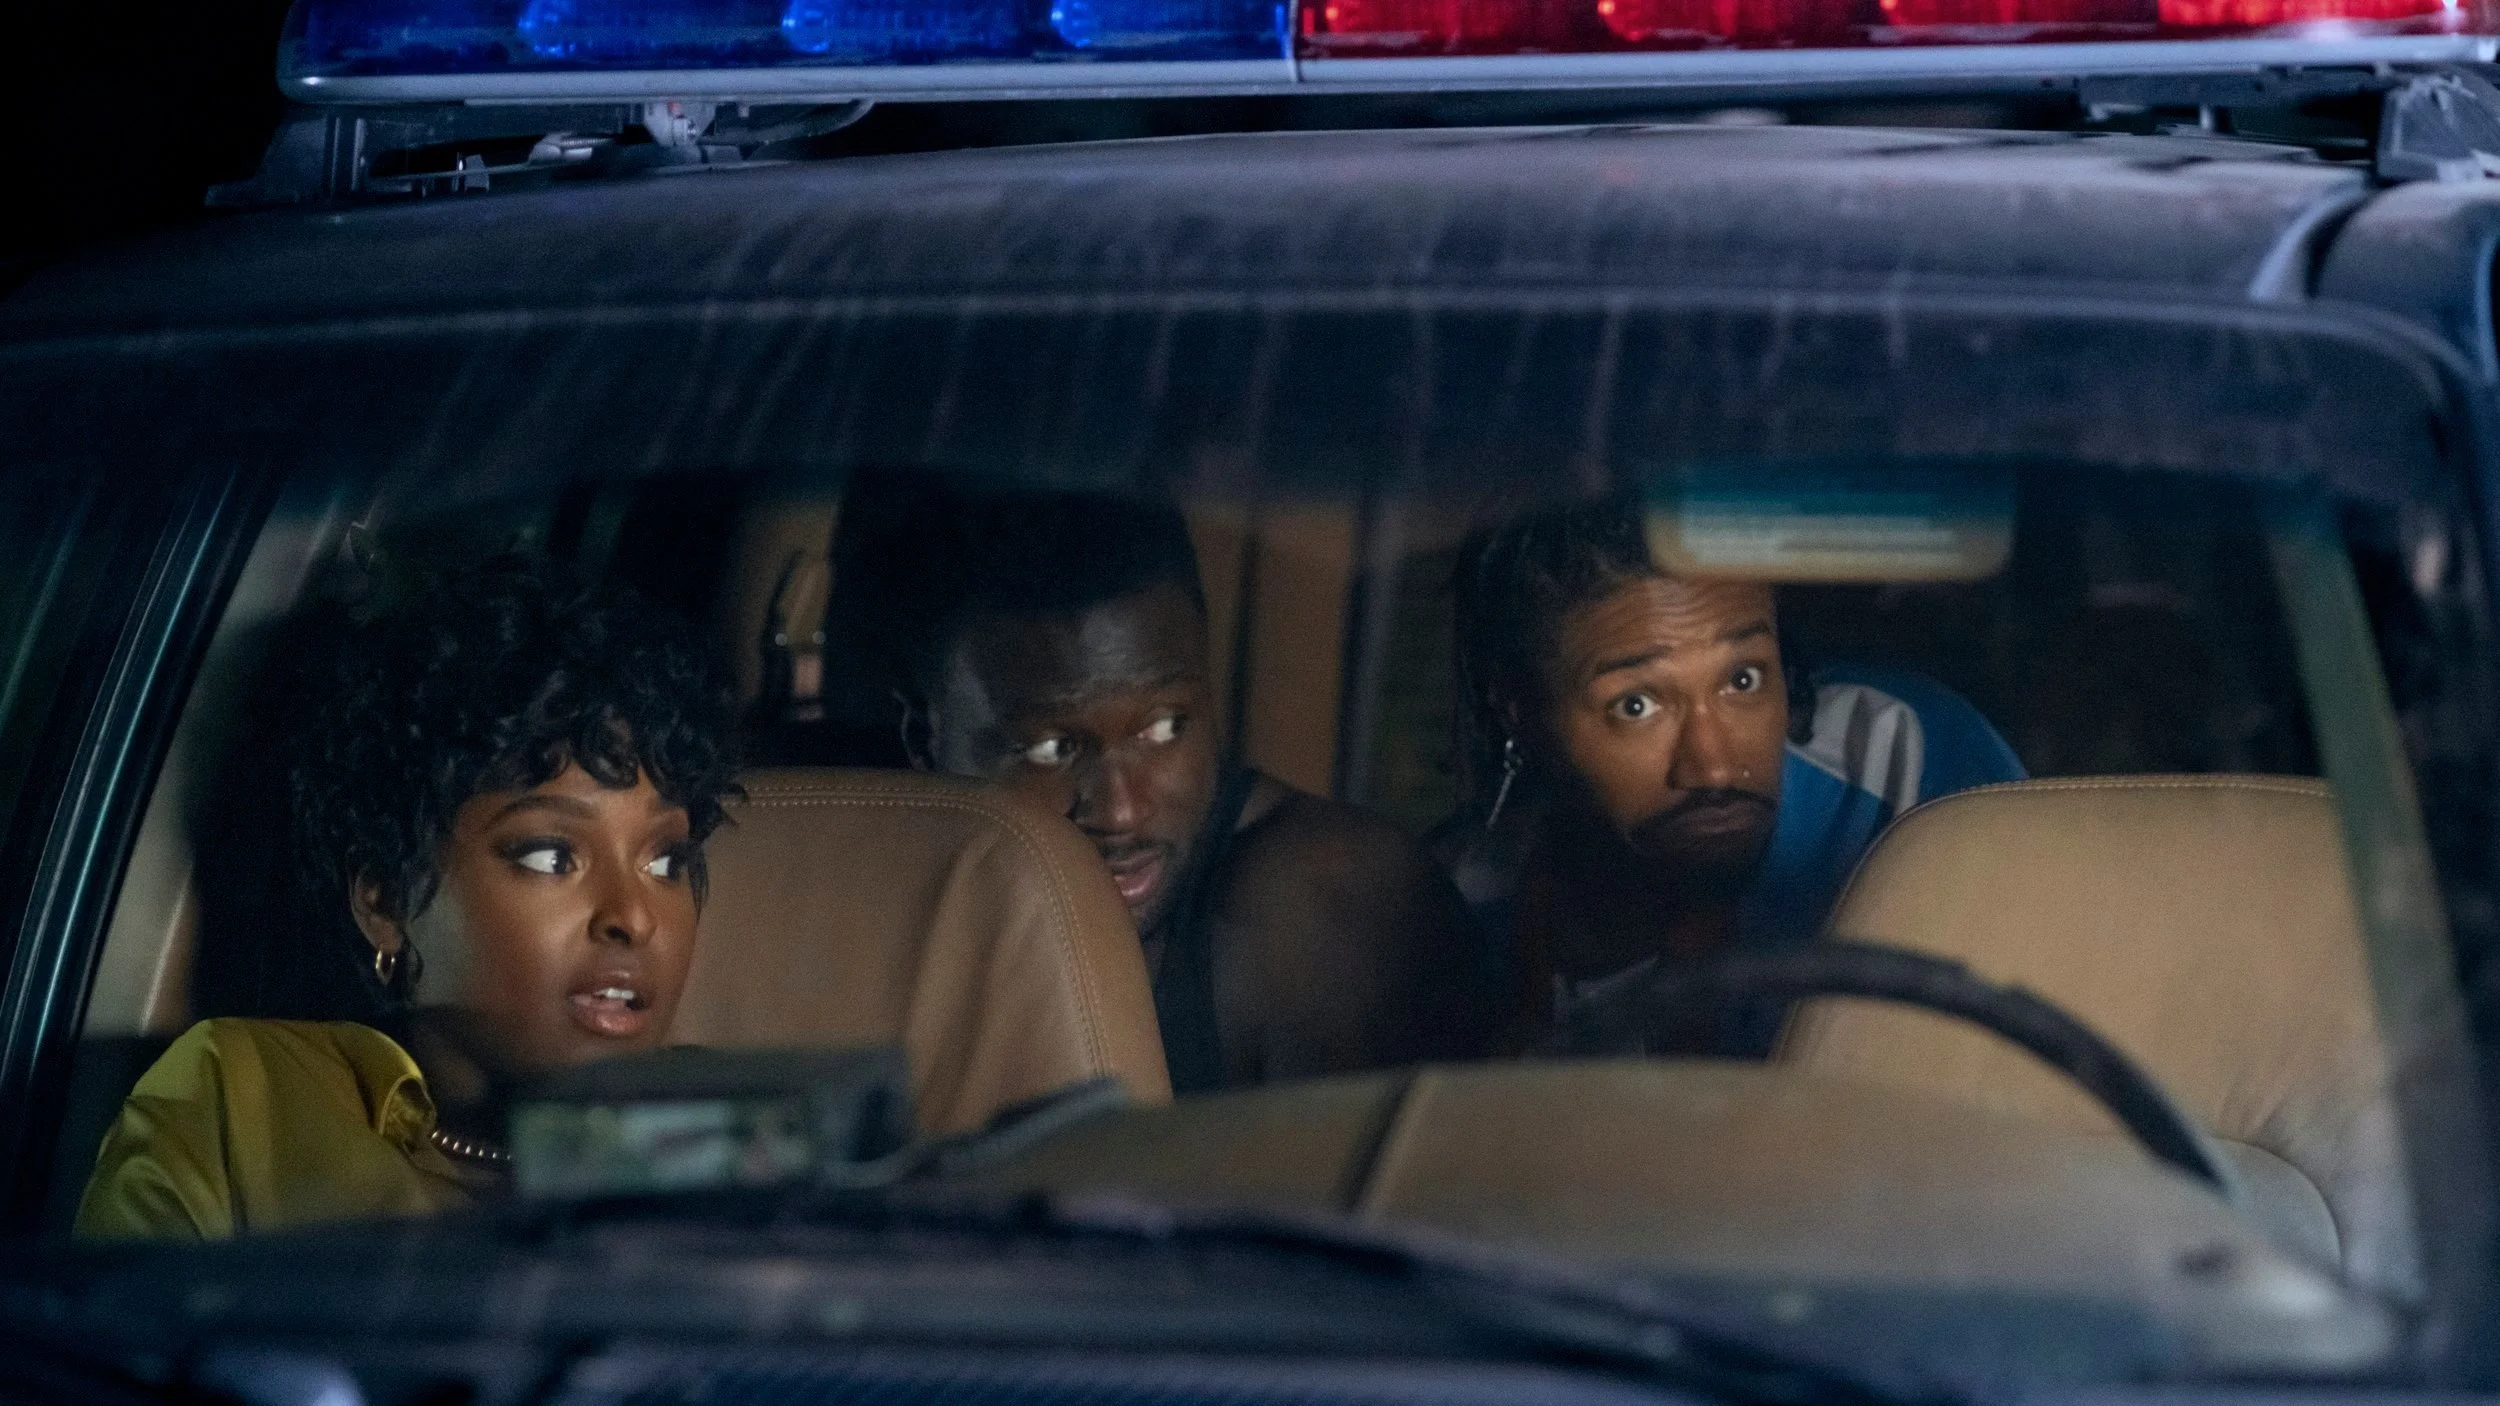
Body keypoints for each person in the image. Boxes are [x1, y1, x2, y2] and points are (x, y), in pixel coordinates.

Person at [77, 557, 740, 1239]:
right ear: (386, 900)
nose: (633, 917)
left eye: (666, 861)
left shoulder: (746, 1139)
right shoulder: (241, 1104)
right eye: (550, 856)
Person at [830, 474, 1487, 1092]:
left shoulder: (1326, 912)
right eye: (1053, 750)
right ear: (925, 740)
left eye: (1165, 727)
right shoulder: (847, 906)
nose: (1121, 811)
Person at [1444, 499, 2024, 1054]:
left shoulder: (1900, 764)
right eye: (1636, 705)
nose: (1715, 766)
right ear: (1521, 711)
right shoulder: (1462, 905)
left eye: (1743, 680)